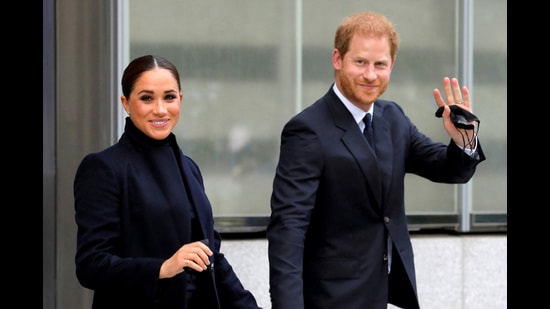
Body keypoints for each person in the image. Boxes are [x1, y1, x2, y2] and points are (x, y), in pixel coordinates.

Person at [266, 11, 486, 309]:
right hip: (330, 299)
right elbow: (288, 230)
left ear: (391, 65)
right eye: (360, 62)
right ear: (337, 59)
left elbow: (448, 169)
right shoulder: (307, 130)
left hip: (382, 295)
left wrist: (464, 140)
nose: (370, 74)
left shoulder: (392, 118)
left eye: (380, 64)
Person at [74, 54, 262, 309]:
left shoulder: (190, 168)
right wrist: (163, 267)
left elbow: (212, 257)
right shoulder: (103, 168)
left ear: (180, 100)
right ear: (126, 103)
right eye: (146, 98)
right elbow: (91, 265)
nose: (160, 109)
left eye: (169, 97)